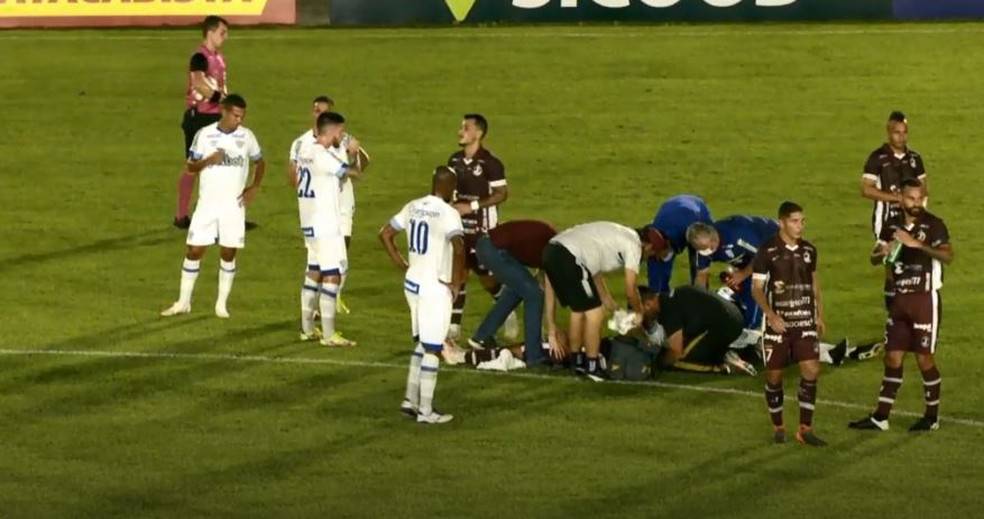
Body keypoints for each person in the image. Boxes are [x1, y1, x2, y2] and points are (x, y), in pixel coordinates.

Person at [849, 180, 952, 432]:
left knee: (924, 358)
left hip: (924, 299)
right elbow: (874, 257)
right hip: (899, 299)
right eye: (911, 198)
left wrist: (917, 244)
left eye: (919, 198)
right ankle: (880, 417)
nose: (915, 203)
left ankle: (931, 417)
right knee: (892, 357)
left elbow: (948, 256)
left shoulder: (934, 225)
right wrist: (883, 251)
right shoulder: (891, 225)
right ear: (901, 198)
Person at [161, 94, 265, 318]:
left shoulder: (247, 137)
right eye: (236, 115)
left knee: (228, 253)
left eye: (242, 116)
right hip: (207, 205)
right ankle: (183, 302)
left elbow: (260, 161)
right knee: (194, 250)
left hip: (233, 206)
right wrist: (209, 160)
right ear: (224, 112)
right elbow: (190, 166)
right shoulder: (205, 135)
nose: (239, 120)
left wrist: (254, 186)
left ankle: (221, 304)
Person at [379, 166, 465, 425]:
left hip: (413, 282)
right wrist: (457, 283)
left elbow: (385, 234)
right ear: (449, 187)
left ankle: (409, 399)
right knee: (433, 348)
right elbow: (459, 248)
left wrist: (401, 263)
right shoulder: (449, 213)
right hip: (433, 287)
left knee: (422, 342)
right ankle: (426, 411)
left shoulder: (413, 206)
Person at [542, 222, 664, 380]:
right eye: (652, 254)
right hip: (569, 256)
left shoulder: (619, 236)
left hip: (553, 251)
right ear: (648, 246)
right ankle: (592, 367)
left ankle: (577, 361)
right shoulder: (634, 246)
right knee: (596, 313)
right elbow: (630, 288)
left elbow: (594, 273)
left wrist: (612, 306)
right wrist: (639, 313)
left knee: (579, 311)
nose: (648, 258)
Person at [750, 201, 826, 447]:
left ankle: (805, 428)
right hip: (778, 324)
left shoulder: (809, 251)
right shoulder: (767, 251)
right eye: (794, 221)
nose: (800, 226)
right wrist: (771, 315)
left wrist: (819, 314)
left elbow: (814, 284)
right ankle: (778, 425)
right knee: (774, 376)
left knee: (812, 370)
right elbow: (757, 289)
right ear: (781, 222)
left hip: (804, 320)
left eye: (802, 221)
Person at [289, 95, 369, 316]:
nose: (319, 114)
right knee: (330, 264)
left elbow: (363, 163)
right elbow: (294, 177)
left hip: (340, 206)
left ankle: (326, 304)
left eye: (323, 111)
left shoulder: (343, 140)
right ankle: (324, 318)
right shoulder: (303, 143)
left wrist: (354, 155)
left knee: (329, 261)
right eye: (316, 110)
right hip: (322, 212)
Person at [446, 114, 517, 341]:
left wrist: (472, 206)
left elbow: (501, 194)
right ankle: (454, 326)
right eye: (461, 127)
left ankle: (508, 311)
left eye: (466, 128)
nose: (460, 131)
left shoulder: (491, 164)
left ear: (478, 134)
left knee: (487, 278)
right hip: (459, 228)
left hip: (483, 230)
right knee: (458, 272)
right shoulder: (454, 160)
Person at [295, 112, 359, 347]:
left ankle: (307, 328)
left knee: (314, 270)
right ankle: (329, 334)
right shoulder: (322, 155)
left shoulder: (305, 151)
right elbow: (351, 173)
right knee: (332, 273)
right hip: (326, 222)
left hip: (309, 222)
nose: (341, 136)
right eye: (340, 132)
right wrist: (352, 155)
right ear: (331, 132)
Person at [173, 17, 242, 229]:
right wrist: (221, 100)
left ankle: (227, 216)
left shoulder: (218, 57)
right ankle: (182, 216)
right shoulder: (199, 57)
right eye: (222, 32)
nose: (225, 36)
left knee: (225, 166)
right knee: (194, 167)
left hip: (215, 117)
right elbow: (198, 83)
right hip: (200, 118)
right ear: (210, 32)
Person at [861, 111, 927, 316]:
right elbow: (866, 189)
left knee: (911, 263)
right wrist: (896, 199)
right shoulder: (877, 158)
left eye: (905, 132)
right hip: (886, 220)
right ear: (889, 132)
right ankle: (894, 312)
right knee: (890, 263)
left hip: (911, 221)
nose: (902, 137)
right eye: (897, 132)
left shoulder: (915, 159)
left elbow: (924, 189)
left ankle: (910, 309)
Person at [467, 219, 558, 367]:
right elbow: (546, 288)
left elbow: (543, 280)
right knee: (534, 294)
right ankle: (534, 355)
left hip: (488, 246)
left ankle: (481, 337)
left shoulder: (549, 240)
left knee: (518, 290)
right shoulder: (553, 248)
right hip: (494, 250)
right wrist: (552, 330)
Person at [686, 215, 779, 329]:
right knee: (739, 292)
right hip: (750, 256)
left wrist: (743, 274)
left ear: (714, 237)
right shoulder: (702, 248)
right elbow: (701, 276)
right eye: (702, 249)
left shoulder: (737, 235)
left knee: (754, 289)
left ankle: (752, 330)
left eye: (710, 247)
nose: (708, 252)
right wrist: (701, 305)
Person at [641, 285, 756, 375]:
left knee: (678, 361)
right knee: (689, 346)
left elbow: (676, 352)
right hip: (732, 318)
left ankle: (723, 366)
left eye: (641, 311)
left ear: (648, 304)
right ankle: (730, 354)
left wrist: (659, 363)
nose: (643, 317)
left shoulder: (668, 309)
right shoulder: (672, 296)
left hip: (723, 325)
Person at [648, 195, 713, 293]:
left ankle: (701, 296)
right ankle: (663, 297)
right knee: (657, 268)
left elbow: (702, 270)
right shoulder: (653, 236)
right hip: (673, 212)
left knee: (698, 262)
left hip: (697, 216)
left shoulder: (695, 226)